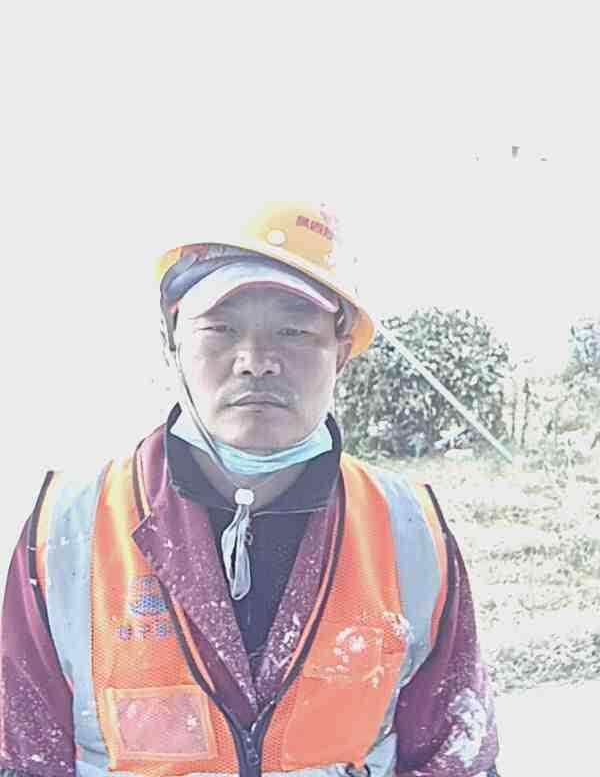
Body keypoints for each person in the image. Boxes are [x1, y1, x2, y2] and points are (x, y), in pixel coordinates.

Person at [0, 199, 500, 777]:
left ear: (340, 356)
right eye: (221, 328)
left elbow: (455, 756)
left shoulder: (410, 529)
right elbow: (22, 755)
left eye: (293, 330)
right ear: (172, 343)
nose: (256, 361)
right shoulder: (68, 527)